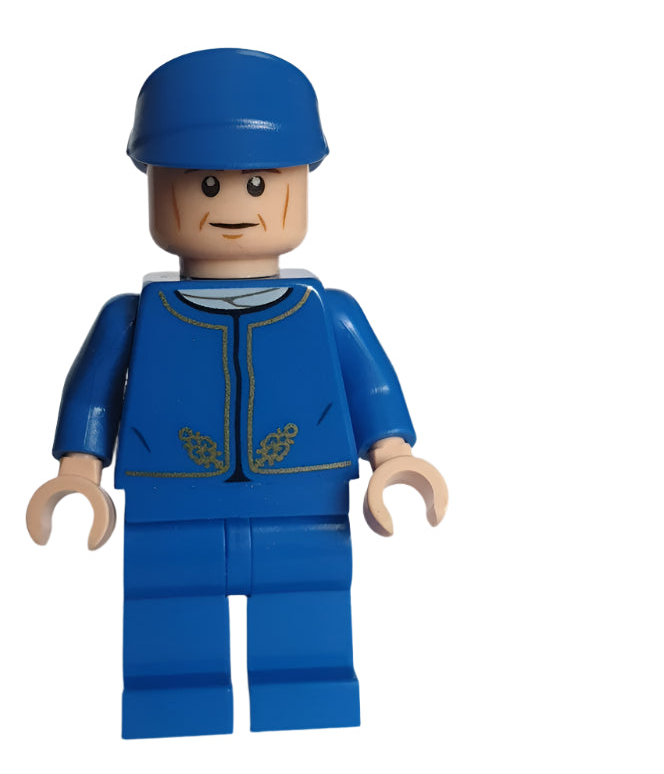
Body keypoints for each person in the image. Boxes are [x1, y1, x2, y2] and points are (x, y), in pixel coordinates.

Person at [27, 48, 447, 739]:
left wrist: (394, 459)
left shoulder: (328, 311)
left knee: (308, 618)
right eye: (203, 184)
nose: (230, 207)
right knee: (168, 623)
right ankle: (174, 708)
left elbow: (372, 386)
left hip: (305, 502)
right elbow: (92, 397)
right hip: (170, 501)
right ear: (156, 185)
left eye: (256, 184)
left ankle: (308, 700)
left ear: (299, 182)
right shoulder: (134, 317)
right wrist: (78, 473)